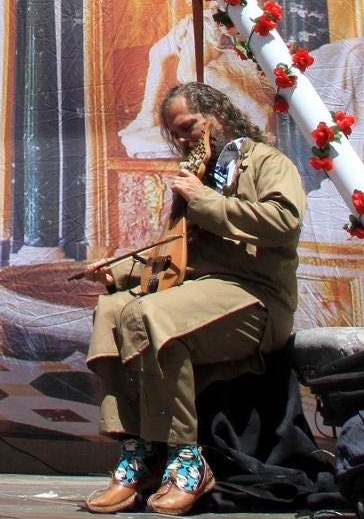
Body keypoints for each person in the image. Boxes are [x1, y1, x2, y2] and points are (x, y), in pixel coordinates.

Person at [81, 82, 305, 515]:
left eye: (188, 127)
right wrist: (118, 272)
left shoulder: (265, 161)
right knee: (112, 309)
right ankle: (139, 452)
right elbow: (177, 255)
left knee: (150, 314)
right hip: (197, 294)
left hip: (256, 297)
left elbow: (284, 222)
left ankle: (185, 458)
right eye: (176, 134)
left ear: (217, 115)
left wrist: (203, 200)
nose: (183, 140)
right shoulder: (199, 174)